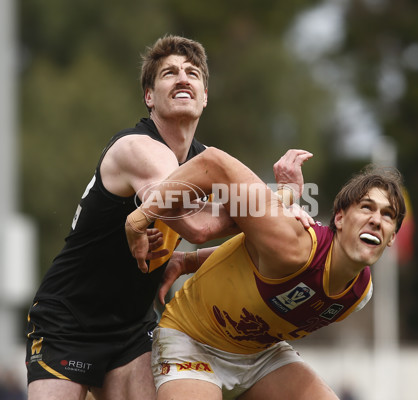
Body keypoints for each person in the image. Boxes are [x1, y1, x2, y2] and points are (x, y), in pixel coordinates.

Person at [24, 35, 306, 400]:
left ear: (204, 96)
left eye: (192, 73)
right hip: (68, 319)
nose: (183, 78)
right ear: (149, 97)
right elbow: (197, 224)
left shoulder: (205, 160)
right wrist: (279, 199)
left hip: (130, 328)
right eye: (169, 73)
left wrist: (281, 201)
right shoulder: (138, 148)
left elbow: (254, 221)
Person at [125, 147, 406, 400]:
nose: (375, 220)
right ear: (340, 218)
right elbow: (215, 163)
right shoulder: (294, 243)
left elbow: (257, 257)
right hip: (193, 342)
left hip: (260, 357)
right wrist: (139, 220)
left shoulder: (359, 294)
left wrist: (188, 261)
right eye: (367, 208)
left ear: (392, 236)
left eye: (387, 215)